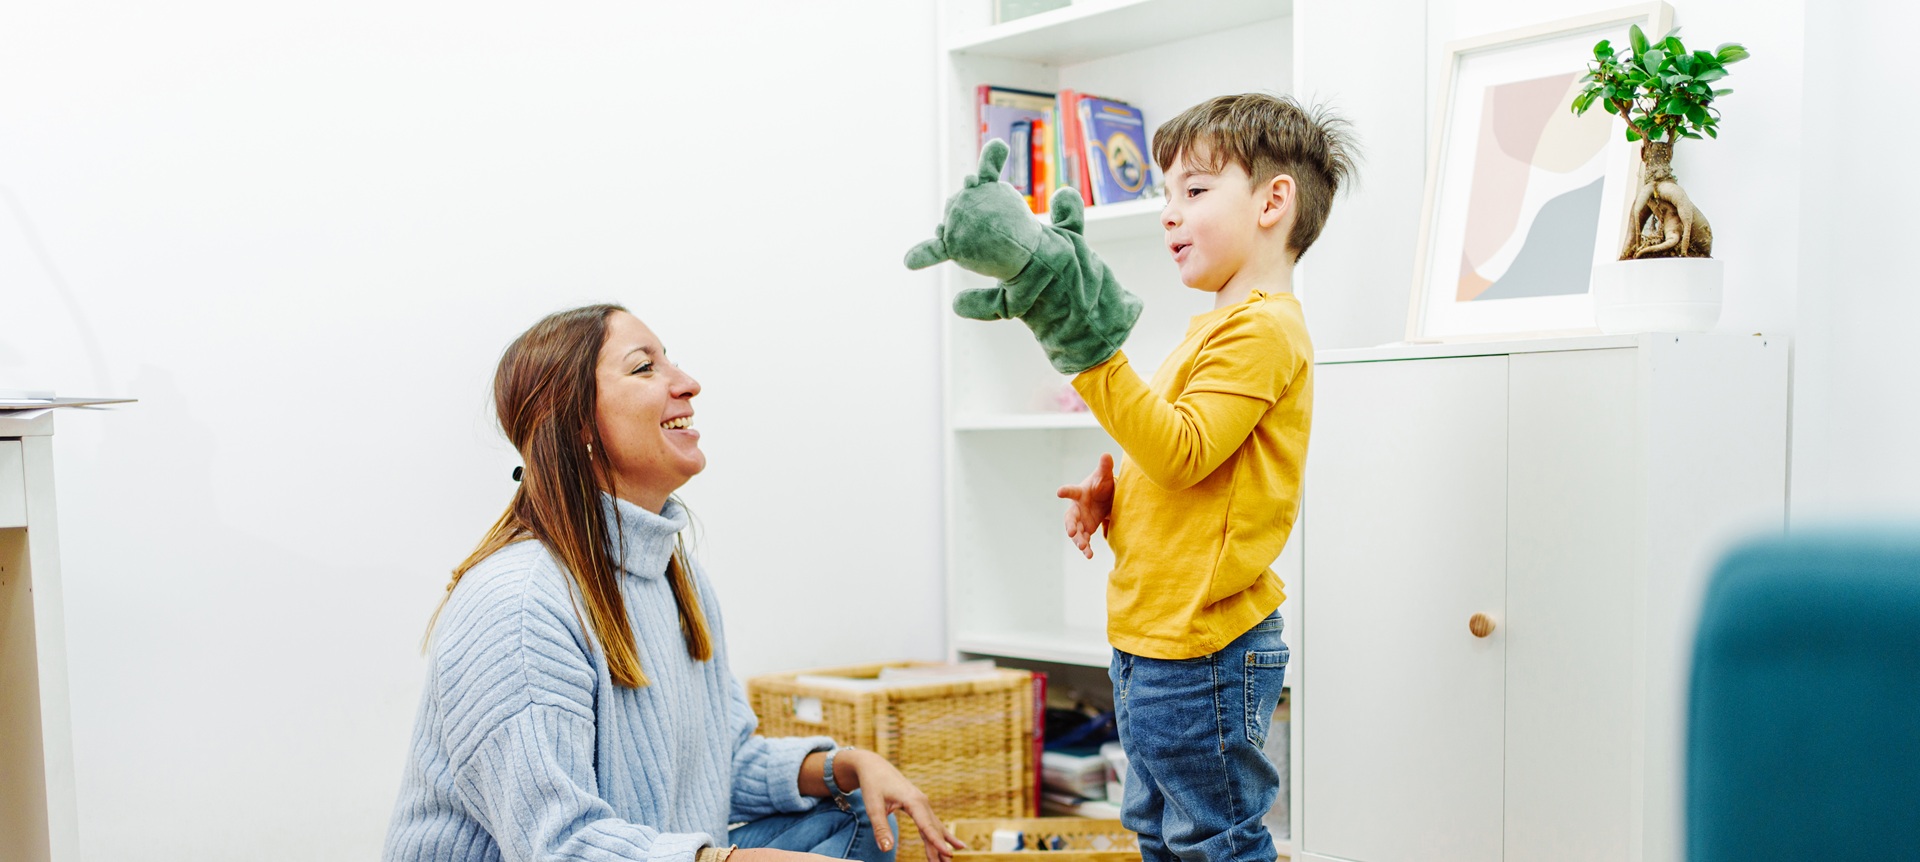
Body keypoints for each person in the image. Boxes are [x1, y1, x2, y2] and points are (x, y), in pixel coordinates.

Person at [908, 92, 1355, 862]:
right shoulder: (1214, 328)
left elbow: (1180, 450)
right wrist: (1118, 495)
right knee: (1157, 833)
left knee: (1213, 837)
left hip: (1202, 644)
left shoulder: (1264, 330)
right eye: (1165, 194)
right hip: (1157, 638)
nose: (1169, 214)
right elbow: (1188, 466)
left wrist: (1088, 352)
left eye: (1195, 190)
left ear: (1274, 201)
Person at [384, 304, 964, 862]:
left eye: (672, 362)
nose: (687, 383)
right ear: (578, 421)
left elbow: (720, 763)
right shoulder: (518, 601)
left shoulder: (673, 576)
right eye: (645, 367)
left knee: (858, 811)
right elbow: (557, 847)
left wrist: (845, 766)